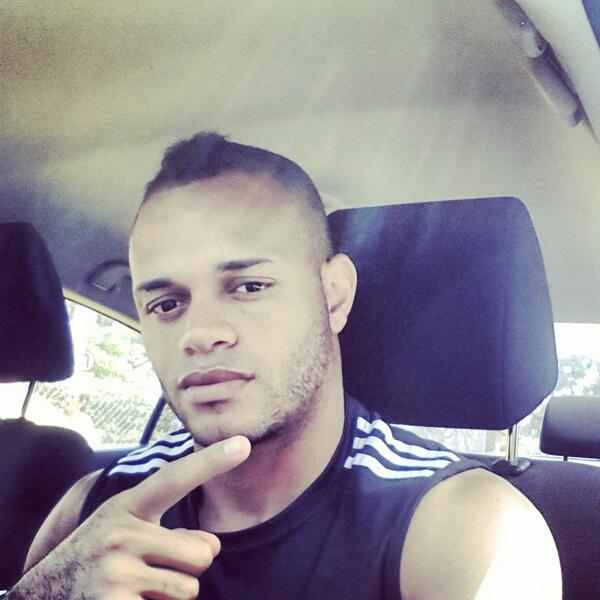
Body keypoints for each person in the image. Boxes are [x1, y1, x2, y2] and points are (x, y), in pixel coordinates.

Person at [7, 133, 561, 599]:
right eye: (167, 304)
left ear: (334, 295)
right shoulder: (93, 510)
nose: (199, 333)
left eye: (249, 286)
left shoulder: (468, 530)